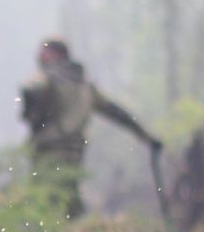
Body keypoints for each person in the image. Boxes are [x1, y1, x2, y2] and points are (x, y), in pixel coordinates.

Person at [19, 38, 161, 219]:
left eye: (44, 52)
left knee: (43, 202)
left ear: (56, 54)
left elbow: (30, 93)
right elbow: (118, 113)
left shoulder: (45, 79)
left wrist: (32, 114)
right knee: (68, 201)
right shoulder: (85, 87)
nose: (39, 57)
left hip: (47, 152)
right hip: (74, 153)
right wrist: (147, 137)